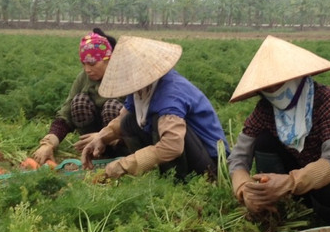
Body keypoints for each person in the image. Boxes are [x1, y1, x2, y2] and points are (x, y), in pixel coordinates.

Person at [227, 35, 330, 226]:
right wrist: (244, 188)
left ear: (295, 76)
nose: (273, 90)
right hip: (296, 183)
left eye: (279, 82)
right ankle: (277, 208)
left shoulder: (327, 101)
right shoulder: (265, 109)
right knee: (263, 140)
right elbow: (238, 157)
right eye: (267, 87)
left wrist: (289, 183)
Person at [80, 36, 228, 180]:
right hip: (186, 151)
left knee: (158, 121)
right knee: (128, 121)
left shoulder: (170, 95)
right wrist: (101, 138)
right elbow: (123, 118)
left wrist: (124, 165)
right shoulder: (141, 88)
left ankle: (176, 180)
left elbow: (172, 146)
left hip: (209, 164)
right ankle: (153, 174)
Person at [31, 28, 126, 165]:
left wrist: (104, 136)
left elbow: (134, 118)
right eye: (84, 64)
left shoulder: (123, 77)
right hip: (92, 134)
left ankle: (117, 152)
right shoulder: (84, 78)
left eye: (92, 64)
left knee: (112, 107)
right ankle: (91, 150)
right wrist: (48, 143)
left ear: (108, 60)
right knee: (79, 101)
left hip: (118, 135)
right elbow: (66, 114)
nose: (87, 69)